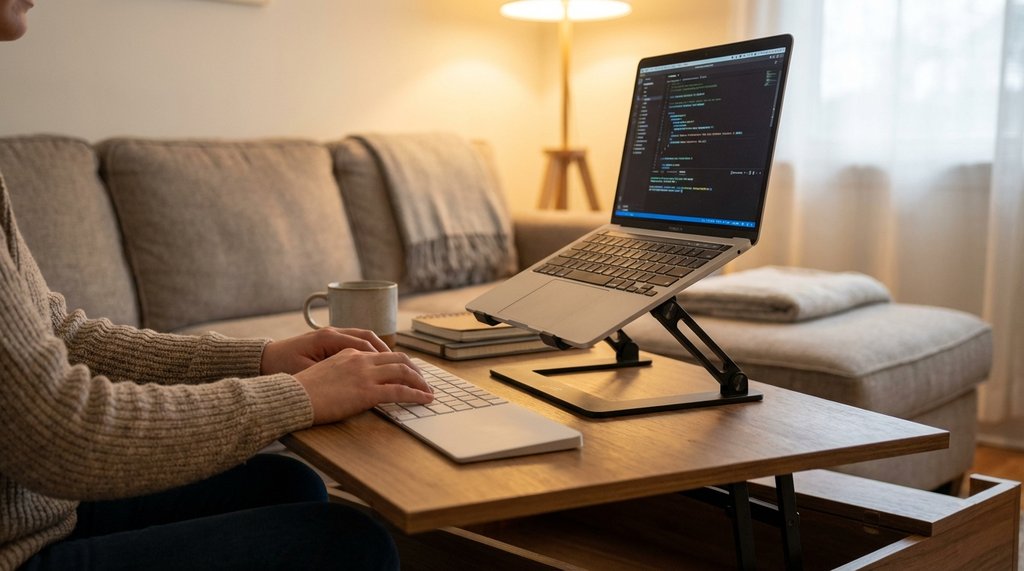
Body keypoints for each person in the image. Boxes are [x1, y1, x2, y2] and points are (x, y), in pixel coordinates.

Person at [0, 1, 435, 569]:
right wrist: (297, 396)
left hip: (32, 511)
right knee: (353, 544)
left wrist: (263, 358)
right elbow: (61, 432)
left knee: (286, 484)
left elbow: (63, 335)